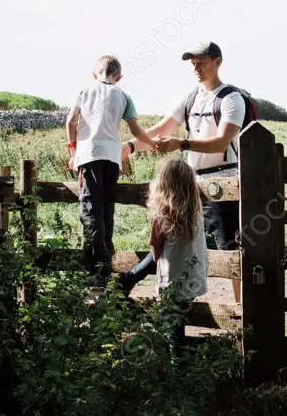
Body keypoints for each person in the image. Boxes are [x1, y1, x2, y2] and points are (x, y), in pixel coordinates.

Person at [117, 41, 245, 300]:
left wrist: (182, 143)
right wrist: (129, 147)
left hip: (223, 182)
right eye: (193, 64)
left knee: (229, 246)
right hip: (189, 183)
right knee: (172, 237)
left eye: (202, 62)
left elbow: (222, 141)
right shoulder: (190, 98)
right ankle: (130, 279)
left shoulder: (231, 99)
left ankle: (239, 311)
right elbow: (161, 130)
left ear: (218, 62)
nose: (196, 68)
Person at [66, 55, 158, 284]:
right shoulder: (124, 96)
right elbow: (136, 131)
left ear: (94, 73)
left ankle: (99, 268)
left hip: (90, 155)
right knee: (106, 209)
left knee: (90, 209)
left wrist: (72, 152)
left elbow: (70, 122)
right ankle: (106, 256)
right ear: (119, 77)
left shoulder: (84, 91)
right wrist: (154, 142)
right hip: (113, 158)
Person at [144, 157, 208, 359]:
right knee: (180, 316)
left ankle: (176, 367)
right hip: (195, 278)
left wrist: (158, 258)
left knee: (173, 327)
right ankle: (181, 363)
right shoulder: (196, 212)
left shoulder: (160, 215)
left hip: (171, 280)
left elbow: (155, 249)